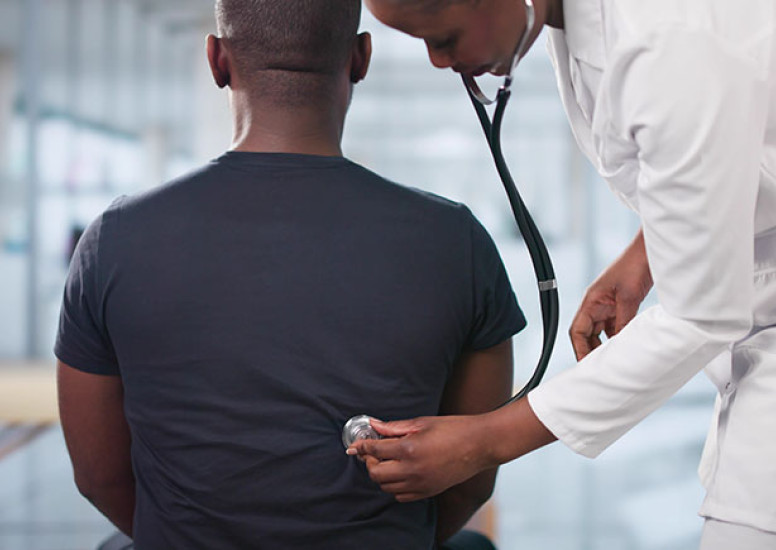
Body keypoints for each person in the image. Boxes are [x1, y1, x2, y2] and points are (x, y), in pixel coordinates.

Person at [55, 0, 527, 548]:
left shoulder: (113, 240)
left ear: (216, 60)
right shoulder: (458, 241)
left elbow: (98, 476)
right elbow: (469, 481)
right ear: (360, 58)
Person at [349, 0, 776, 548]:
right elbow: (735, 146)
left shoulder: (665, 40)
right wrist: (644, 258)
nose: (436, 61)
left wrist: (485, 441)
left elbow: (700, 315)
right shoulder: (576, 22)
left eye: (445, 37)